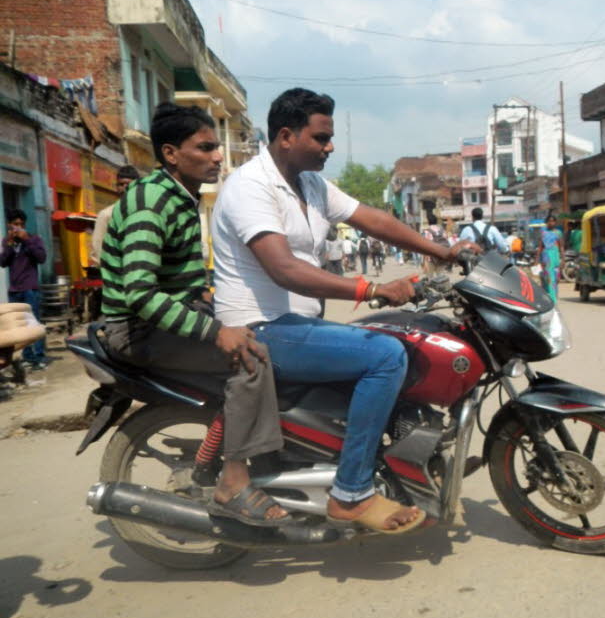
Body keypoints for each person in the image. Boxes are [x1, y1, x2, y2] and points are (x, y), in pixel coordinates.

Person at [210, 88, 480, 534]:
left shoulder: (310, 184)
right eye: (320, 138)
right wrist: (372, 288)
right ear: (285, 136)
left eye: (330, 137)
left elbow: (374, 219)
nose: (329, 147)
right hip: (261, 329)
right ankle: (351, 493)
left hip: (296, 324)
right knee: (385, 355)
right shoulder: (250, 186)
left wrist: (443, 251)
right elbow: (284, 269)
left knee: (400, 337)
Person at [100, 102, 289, 526]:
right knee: (250, 360)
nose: (218, 156)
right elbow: (140, 293)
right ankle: (234, 482)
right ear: (171, 153)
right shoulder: (152, 200)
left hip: (165, 317)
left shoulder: (180, 197)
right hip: (137, 329)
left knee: (257, 335)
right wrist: (213, 331)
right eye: (205, 147)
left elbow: (180, 280)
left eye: (216, 147)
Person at [1, 209, 47, 368]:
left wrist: (26, 240)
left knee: (33, 323)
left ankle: (39, 357)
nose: (18, 227)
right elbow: (3, 262)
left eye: (21, 224)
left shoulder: (34, 239)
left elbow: (41, 258)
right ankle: (28, 357)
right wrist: (8, 245)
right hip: (14, 289)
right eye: (15, 224)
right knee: (20, 328)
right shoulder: (7, 241)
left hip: (30, 289)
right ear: (9, 225)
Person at [90, 165, 140, 266]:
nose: (125, 188)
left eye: (129, 184)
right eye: (121, 184)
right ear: (116, 187)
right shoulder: (107, 215)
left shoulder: (147, 212)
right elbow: (98, 247)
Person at [540, 213, 564, 303]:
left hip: (555, 257)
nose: (551, 223)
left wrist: (563, 259)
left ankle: (553, 298)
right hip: (546, 258)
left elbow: (561, 247)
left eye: (553, 221)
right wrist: (537, 259)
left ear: (555, 222)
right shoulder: (543, 233)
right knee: (548, 279)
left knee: (556, 279)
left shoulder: (558, 233)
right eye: (549, 221)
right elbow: (541, 246)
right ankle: (551, 300)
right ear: (546, 222)